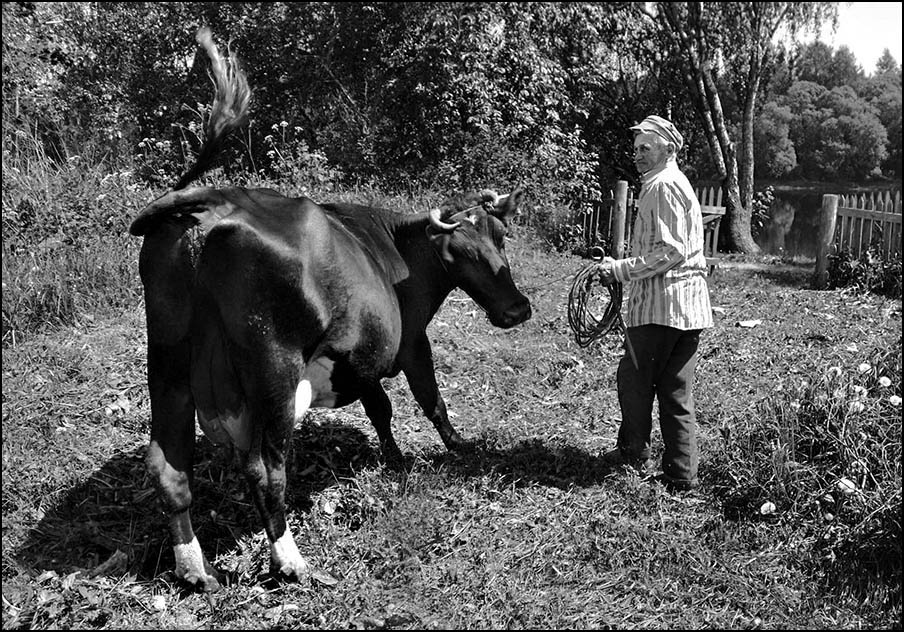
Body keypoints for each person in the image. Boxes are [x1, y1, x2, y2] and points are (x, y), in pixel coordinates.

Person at [595, 114, 713, 492]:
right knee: (676, 391)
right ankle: (682, 475)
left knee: (633, 380)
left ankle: (633, 454)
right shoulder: (674, 183)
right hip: (688, 307)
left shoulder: (662, 186)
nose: (638, 155)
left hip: (663, 307)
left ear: (668, 148)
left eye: (646, 148)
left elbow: (671, 251)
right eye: (635, 149)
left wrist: (620, 270)